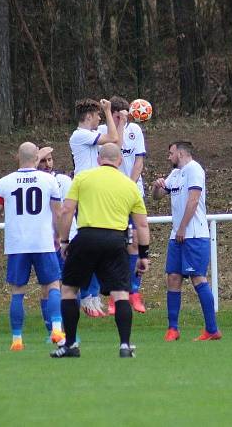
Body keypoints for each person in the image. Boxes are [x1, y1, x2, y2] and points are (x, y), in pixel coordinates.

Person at [51, 143, 151, 358]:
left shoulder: (83, 178)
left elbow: (67, 210)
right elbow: (142, 225)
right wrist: (144, 255)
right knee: (120, 293)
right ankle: (125, 345)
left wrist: (65, 240)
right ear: (120, 161)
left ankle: (70, 345)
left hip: (86, 237)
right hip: (115, 241)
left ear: (98, 159)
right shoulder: (129, 185)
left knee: (69, 290)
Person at [0, 142, 65, 351]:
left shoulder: (5, 182)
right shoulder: (48, 180)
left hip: (17, 244)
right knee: (53, 285)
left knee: (17, 291)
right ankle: (57, 329)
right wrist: (60, 237)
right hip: (42, 241)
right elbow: (58, 213)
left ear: (17, 158)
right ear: (37, 159)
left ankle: (17, 340)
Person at [152, 141, 222, 342]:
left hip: (194, 235)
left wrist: (182, 227)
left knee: (197, 278)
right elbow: (157, 197)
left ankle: (212, 329)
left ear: (180, 153)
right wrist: (157, 187)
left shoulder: (194, 170)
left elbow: (193, 200)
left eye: (170, 153)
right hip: (178, 236)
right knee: (173, 278)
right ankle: (172, 329)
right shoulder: (175, 174)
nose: (169, 157)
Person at [69, 98, 127, 318]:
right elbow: (111, 138)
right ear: (89, 116)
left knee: (98, 246)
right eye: (98, 115)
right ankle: (87, 297)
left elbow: (116, 146)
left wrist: (120, 121)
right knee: (89, 247)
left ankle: (92, 297)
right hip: (84, 194)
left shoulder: (91, 135)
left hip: (95, 192)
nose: (101, 118)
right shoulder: (79, 135)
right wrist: (109, 109)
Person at [98, 96, 148, 315]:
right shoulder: (104, 130)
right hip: (110, 195)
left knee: (135, 242)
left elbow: (138, 161)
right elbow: (114, 145)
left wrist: (129, 184)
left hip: (131, 192)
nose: (123, 119)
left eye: (125, 115)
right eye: (119, 115)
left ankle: (133, 291)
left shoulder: (135, 130)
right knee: (114, 245)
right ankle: (113, 295)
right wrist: (117, 123)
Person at [36, 146, 74, 341]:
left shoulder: (63, 181)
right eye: (43, 160)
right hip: (43, 243)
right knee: (48, 287)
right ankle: (52, 330)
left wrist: (64, 237)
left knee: (66, 286)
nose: (47, 164)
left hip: (63, 241)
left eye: (50, 160)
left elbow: (66, 211)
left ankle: (67, 331)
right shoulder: (32, 182)